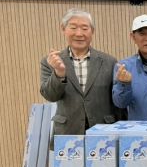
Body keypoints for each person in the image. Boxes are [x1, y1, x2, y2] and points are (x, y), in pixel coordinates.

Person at [40, 8, 123, 136]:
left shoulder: (109, 61)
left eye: (84, 28)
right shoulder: (51, 61)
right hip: (67, 132)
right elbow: (50, 96)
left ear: (92, 31)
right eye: (73, 28)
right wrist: (59, 73)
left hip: (103, 132)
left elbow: (117, 101)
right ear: (63, 29)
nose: (79, 34)